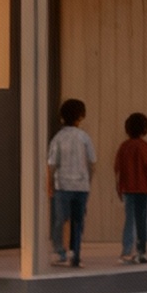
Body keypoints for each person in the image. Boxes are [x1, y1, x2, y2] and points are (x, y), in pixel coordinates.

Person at [45, 97, 96, 268]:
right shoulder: (84, 137)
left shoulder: (58, 138)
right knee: (78, 220)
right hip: (81, 186)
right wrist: (89, 179)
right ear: (81, 116)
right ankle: (76, 253)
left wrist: (49, 184)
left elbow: (51, 164)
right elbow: (92, 162)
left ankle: (60, 252)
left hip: (63, 185)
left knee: (60, 220)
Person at [115, 112, 147, 264]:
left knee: (129, 220)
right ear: (145, 129)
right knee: (143, 221)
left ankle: (126, 250)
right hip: (144, 190)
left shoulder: (123, 147)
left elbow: (118, 169)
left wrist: (119, 188)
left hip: (128, 189)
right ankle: (141, 251)